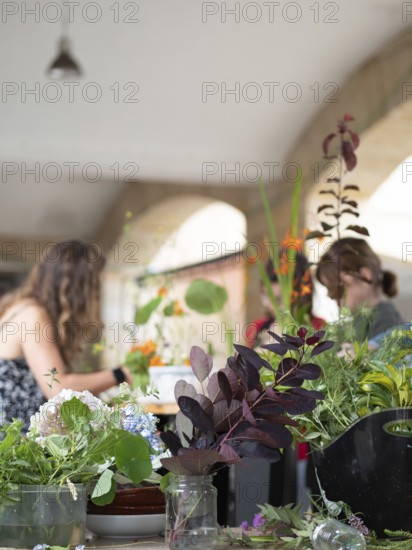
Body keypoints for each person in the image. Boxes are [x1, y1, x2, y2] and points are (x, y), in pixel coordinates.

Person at [0, 240, 132, 431]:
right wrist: (119, 374)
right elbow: (59, 389)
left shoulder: (19, 307)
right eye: (94, 286)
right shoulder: (33, 316)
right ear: (78, 288)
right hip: (14, 447)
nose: (95, 296)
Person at [316, 237, 404, 343]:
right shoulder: (356, 323)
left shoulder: (386, 321)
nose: (329, 295)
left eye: (335, 288)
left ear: (365, 277)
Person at [245, 251, 324, 348]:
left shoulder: (320, 327)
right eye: (266, 297)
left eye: (279, 300)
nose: (271, 306)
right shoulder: (257, 328)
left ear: (302, 296)